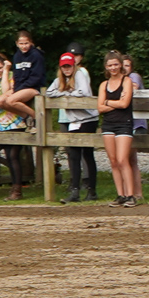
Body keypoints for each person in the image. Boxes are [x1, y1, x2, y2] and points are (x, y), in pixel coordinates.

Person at [47, 49, 97, 203]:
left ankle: (91, 190)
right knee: (74, 153)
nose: (67, 69)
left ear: (74, 66)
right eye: (64, 66)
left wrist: (67, 94)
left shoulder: (80, 74)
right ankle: (75, 191)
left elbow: (84, 92)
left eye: (69, 66)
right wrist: (65, 93)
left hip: (88, 118)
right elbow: (49, 92)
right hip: (74, 121)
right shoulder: (60, 79)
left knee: (87, 153)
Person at [97, 51, 141, 207]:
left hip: (124, 123)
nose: (113, 68)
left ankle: (130, 195)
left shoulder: (126, 81)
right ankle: (120, 194)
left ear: (120, 65)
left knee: (123, 159)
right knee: (114, 161)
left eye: (116, 64)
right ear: (106, 67)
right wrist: (113, 103)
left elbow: (124, 104)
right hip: (108, 124)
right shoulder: (104, 84)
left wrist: (107, 102)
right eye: (110, 65)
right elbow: (100, 108)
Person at [0, 51, 32, 198]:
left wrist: (6, 71)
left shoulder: (13, 77)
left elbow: (6, 91)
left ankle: (17, 189)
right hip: (3, 124)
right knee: (8, 156)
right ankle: (15, 186)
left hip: (16, 121)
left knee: (13, 155)